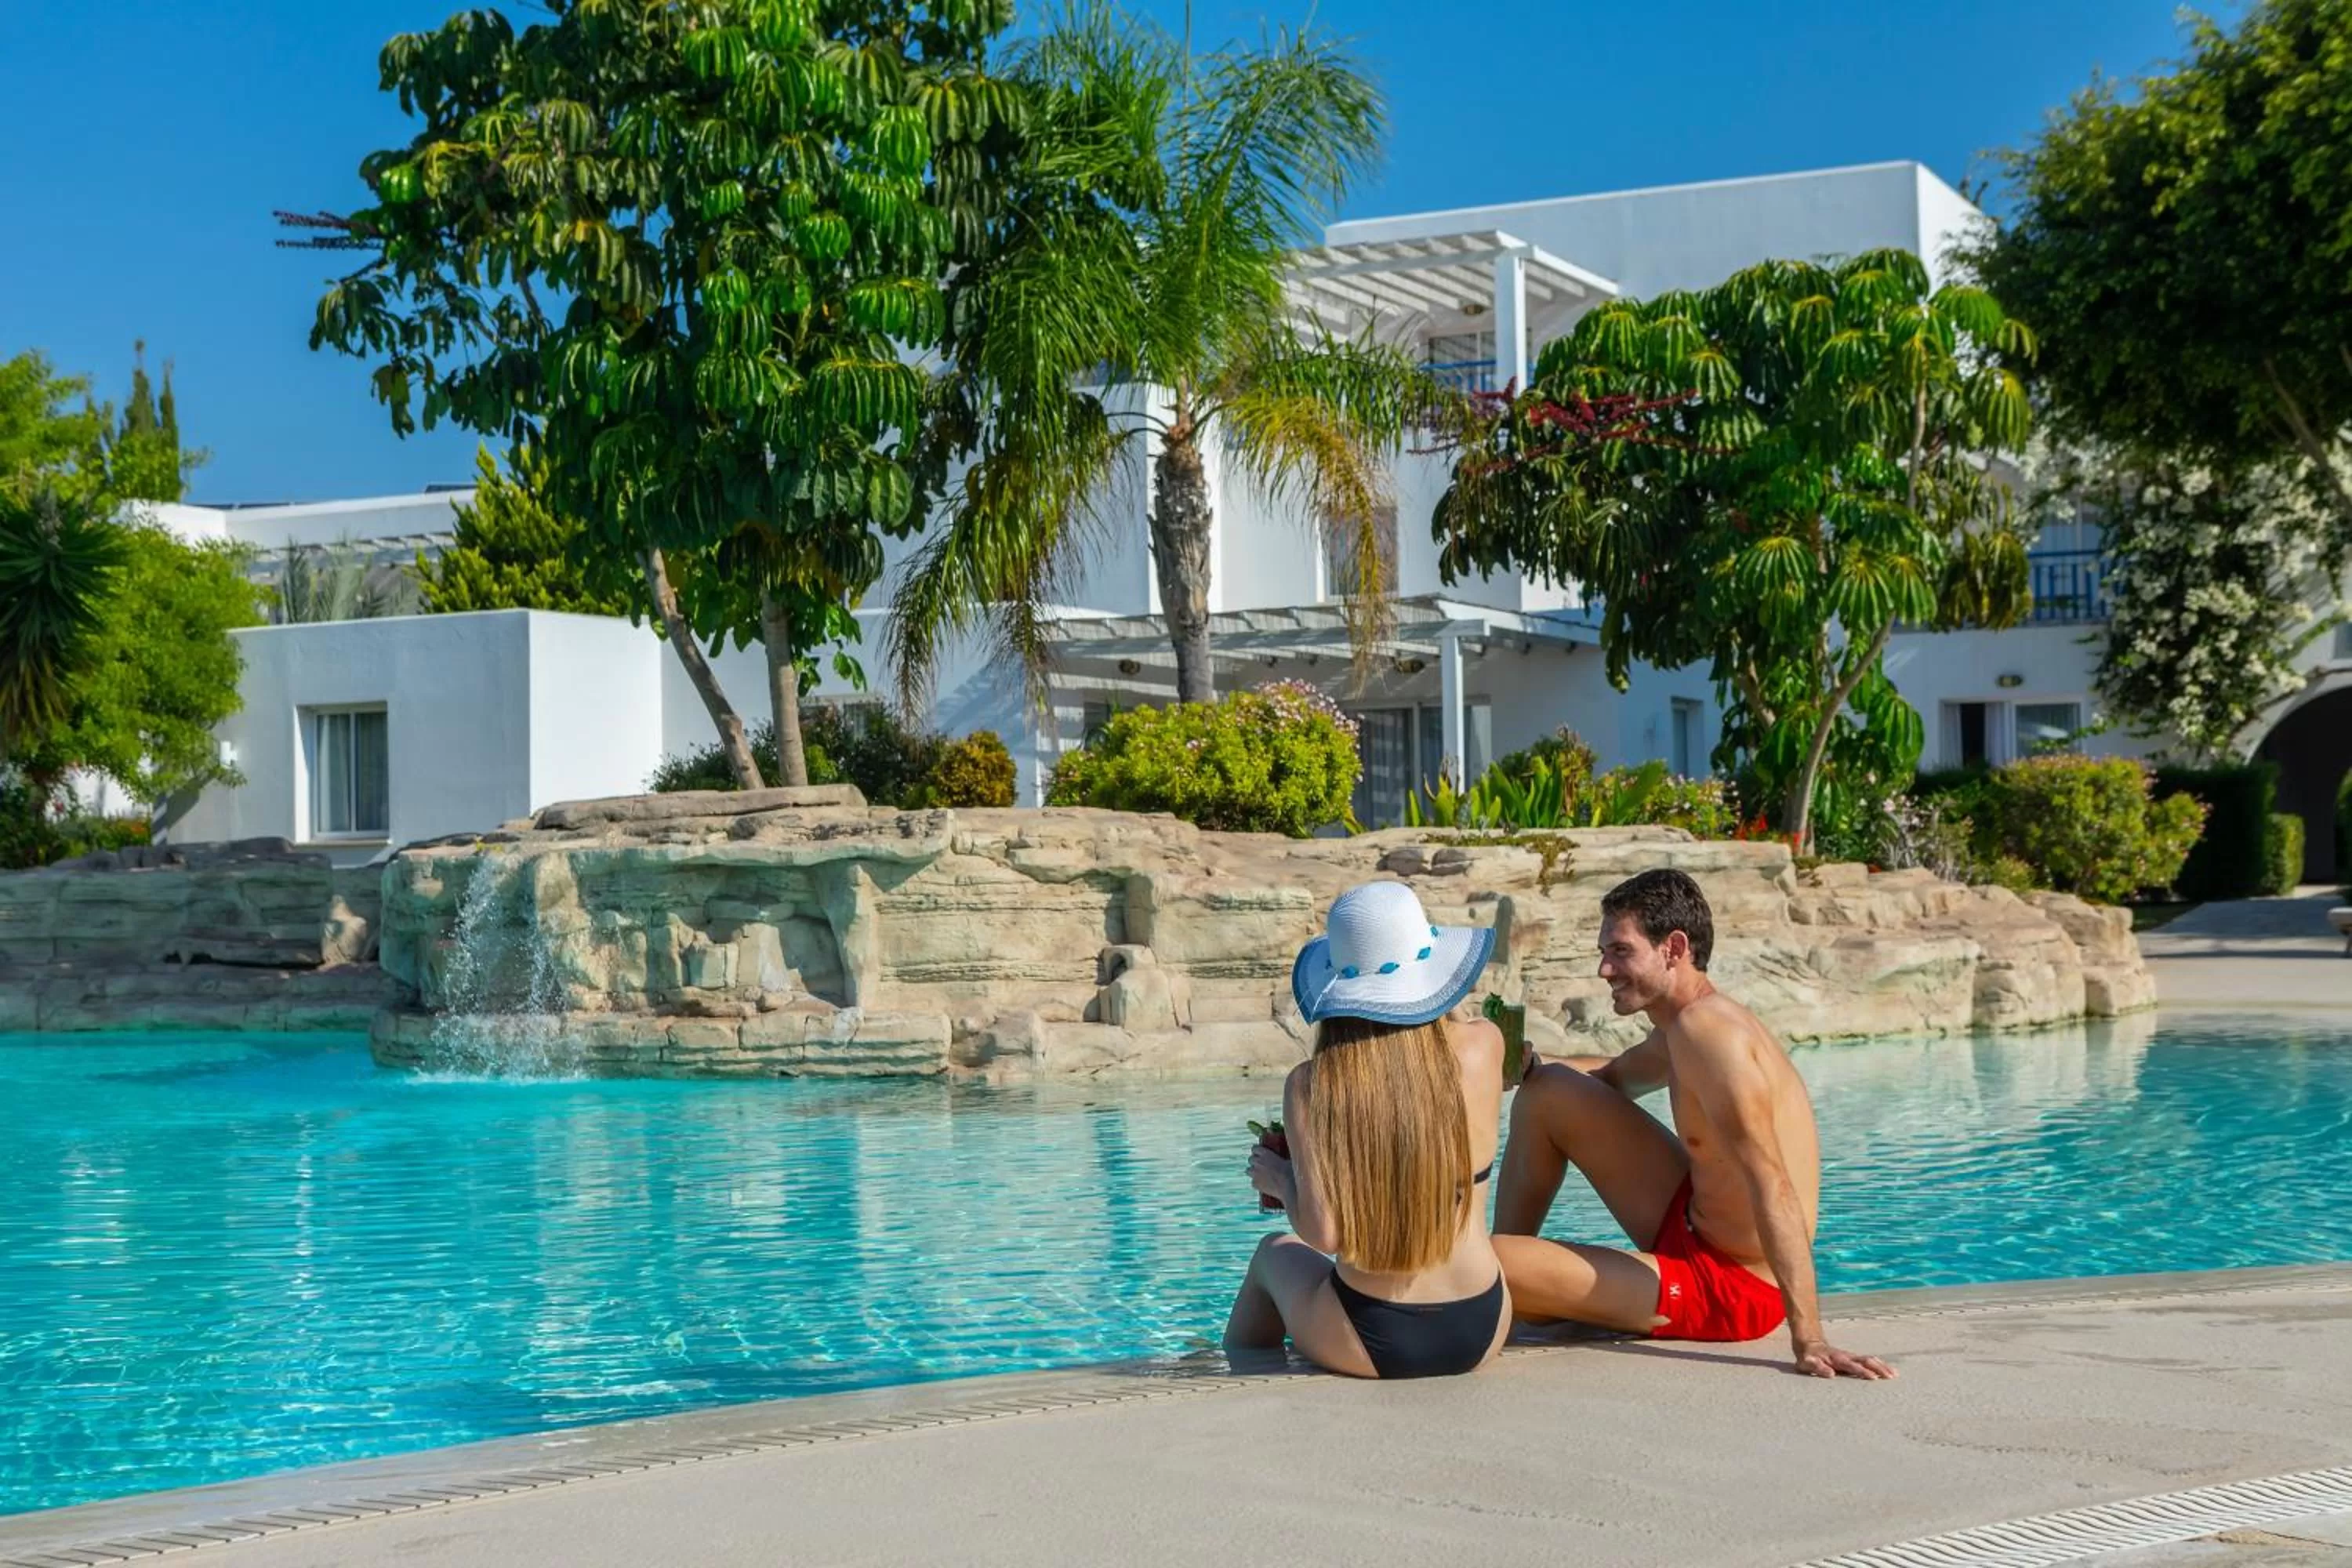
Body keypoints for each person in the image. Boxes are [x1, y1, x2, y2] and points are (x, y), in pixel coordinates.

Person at [1493, 868, 1894, 1380]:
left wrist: (1809, 1336)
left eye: (1620, 951)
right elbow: (1609, 1078)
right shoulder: (1682, 1027)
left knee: (1495, 1262)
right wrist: (1525, 1067)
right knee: (1547, 1091)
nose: (1603, 970)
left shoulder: (1712, 1035)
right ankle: (1502, 1295)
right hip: (1690, 1221)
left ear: (1673, 948)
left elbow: (1771, 1183)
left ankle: (1499, 1282)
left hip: (1732, 1287)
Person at [1224, 880, 1512, 1379]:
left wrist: (1280, 1180)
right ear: (1435, 976)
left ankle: (1237, 1371)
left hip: (1371, 1338)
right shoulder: (1486, 1046)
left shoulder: (1312, 1086)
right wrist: (1443, 986)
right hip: (1484, 1321)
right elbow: (1454, 1023)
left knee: (1272, 1254)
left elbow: (1324, 1233)